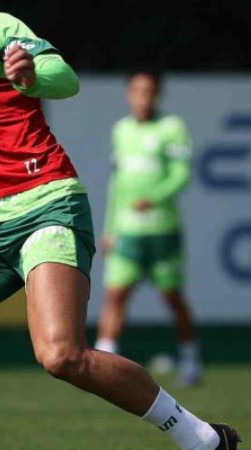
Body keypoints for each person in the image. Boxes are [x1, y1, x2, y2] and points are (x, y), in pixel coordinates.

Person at [0, 1, 241, 449]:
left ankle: (204, 440)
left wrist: (30, 75)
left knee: (61, 355)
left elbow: (64, 78)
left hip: (44, 206)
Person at [94, 68, 202, 388]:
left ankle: (191, 362)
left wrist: (153, 198)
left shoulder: (172, 128)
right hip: (127, 231)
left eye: (149, 91)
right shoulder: (121, 130)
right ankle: (103, 365)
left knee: (173, 297)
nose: (143, 97)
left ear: (158, 95)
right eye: (137, 91)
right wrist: (110, 228)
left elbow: (181, 175)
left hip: (162, 231)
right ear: (129, 94)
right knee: (115, 295)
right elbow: (117, 184)